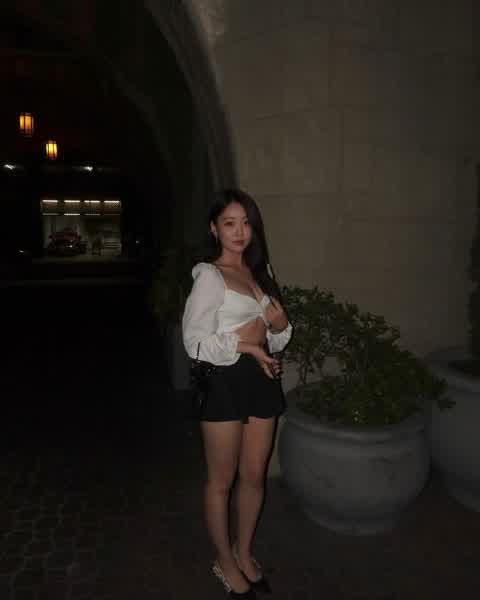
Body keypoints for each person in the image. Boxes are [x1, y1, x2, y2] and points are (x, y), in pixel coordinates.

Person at [182, 189, 292, 598]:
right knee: (221, 481)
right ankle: (224, 562)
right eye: (229, 223)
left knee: (254, 475)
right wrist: (247, 347)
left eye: (246, 222)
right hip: (224, 381)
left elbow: (276, 338)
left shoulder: (260, 271)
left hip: (261, 377)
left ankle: (243, 553)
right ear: (214, 228)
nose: (239, 231)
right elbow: (194, 343)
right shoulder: (210, 276)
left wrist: (279, 327)